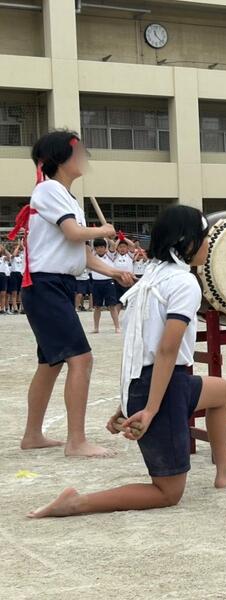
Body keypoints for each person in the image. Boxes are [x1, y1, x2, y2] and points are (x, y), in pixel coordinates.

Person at [27, 205, 226, 518]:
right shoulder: (184, 283)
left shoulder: (151, 277)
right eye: (204, 237)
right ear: (186, 242)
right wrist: (149, 409)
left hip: (154, 382)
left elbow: (136, 346)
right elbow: (166, 350)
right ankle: (76, 503)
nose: (208, 244)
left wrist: (126, 401)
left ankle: (225, 469)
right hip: (163, 387)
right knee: (168, 492)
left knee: (221, 391)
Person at [15, 130, 134, 456]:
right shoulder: (49, 189)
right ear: (60, 158)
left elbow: (82, 254)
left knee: (50, 363)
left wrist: (115, 272)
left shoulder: (67, 198)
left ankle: (32, 435)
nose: (84, 157)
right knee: (81, 358)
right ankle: (76, 441)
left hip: (55, 285)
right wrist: (103, 230)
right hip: (45, 285)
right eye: (79, 151)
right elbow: (73, 233)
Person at [90, 238, 121, 333]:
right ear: (95, 248)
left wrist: (106, 237)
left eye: (101, 247)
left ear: (105, 247)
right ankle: (96, 328)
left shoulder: (110, 255)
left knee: (112, 306)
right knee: (97, 307)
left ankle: (117, 327)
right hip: (96, 283)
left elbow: (113, 245)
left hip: (108, 282)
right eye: (97, 247)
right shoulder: (92, 256)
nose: (100, 249)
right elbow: (90, 246)